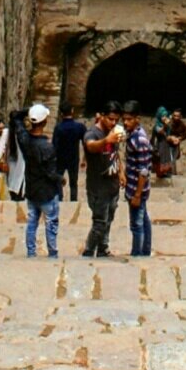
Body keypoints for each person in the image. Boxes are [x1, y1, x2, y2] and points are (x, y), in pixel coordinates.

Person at [12, 104, 61, 259]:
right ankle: (52, 253)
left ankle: (31, 252)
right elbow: (51, 173)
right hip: (47, 191)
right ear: (45, 121)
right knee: (51, 222)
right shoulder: (47, 147)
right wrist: (62, 180)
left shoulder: (24, 139)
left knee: (32, 221)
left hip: (32, 188)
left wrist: (28, 111)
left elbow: (15, 117)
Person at [82, 102, 124, 258]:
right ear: (103, 116)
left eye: (116, 120)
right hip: (98, 187)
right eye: (111, 119)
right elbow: (91, 146)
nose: (113, 123)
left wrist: (121, 172)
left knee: (109, 219)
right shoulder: (93, 133)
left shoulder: (112, 131)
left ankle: (103, 249)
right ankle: (88, 251)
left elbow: (115, 154)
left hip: (112, 185)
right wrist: (107, 140)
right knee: (99, 222)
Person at [123, 102, 153, 258]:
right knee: (144, 219)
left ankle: (137, 254)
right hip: (133, 186)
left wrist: (137, 194)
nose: (126, 122)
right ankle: (145, 250)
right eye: (124, 119)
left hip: (137, 189)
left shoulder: (139, 140)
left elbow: (143, 171)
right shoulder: (133, 135)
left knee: (136, 224)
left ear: (137, 119)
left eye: (129, 119)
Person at [52, 106, 87, 203]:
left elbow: (54, 145)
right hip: (74, 157)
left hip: (60, 158)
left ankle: (59, 198)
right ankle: (73, 200)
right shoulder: (79, 127)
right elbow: (86, 144)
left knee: (58, 179)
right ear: (72, 111)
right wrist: (84, 159)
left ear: (61, 114)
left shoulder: (58, 128)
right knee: (73, 182)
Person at [151, 107, 175, 180]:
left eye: (165, 116)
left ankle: (165, 172)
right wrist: (165, 125)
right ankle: (159, 173)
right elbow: (160, 131)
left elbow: (167, 134)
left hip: (165, 144)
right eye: (162, 116)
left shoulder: (166, 125)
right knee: (160, 158)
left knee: (166, 158)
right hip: (159, 144)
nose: (164, 118)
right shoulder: (157, 125)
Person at [168, 111, 186, 175]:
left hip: (176, 144)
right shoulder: (169, 124)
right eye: (175, 116)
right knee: (170, 158)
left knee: (174, 158)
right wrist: (171, 138)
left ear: (180, 117)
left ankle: (173, 172)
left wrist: (179, 138)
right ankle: (171, 172)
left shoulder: (182, 125)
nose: (176, 117)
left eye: (178, 116)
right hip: (168, 143)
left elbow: (184, 135)